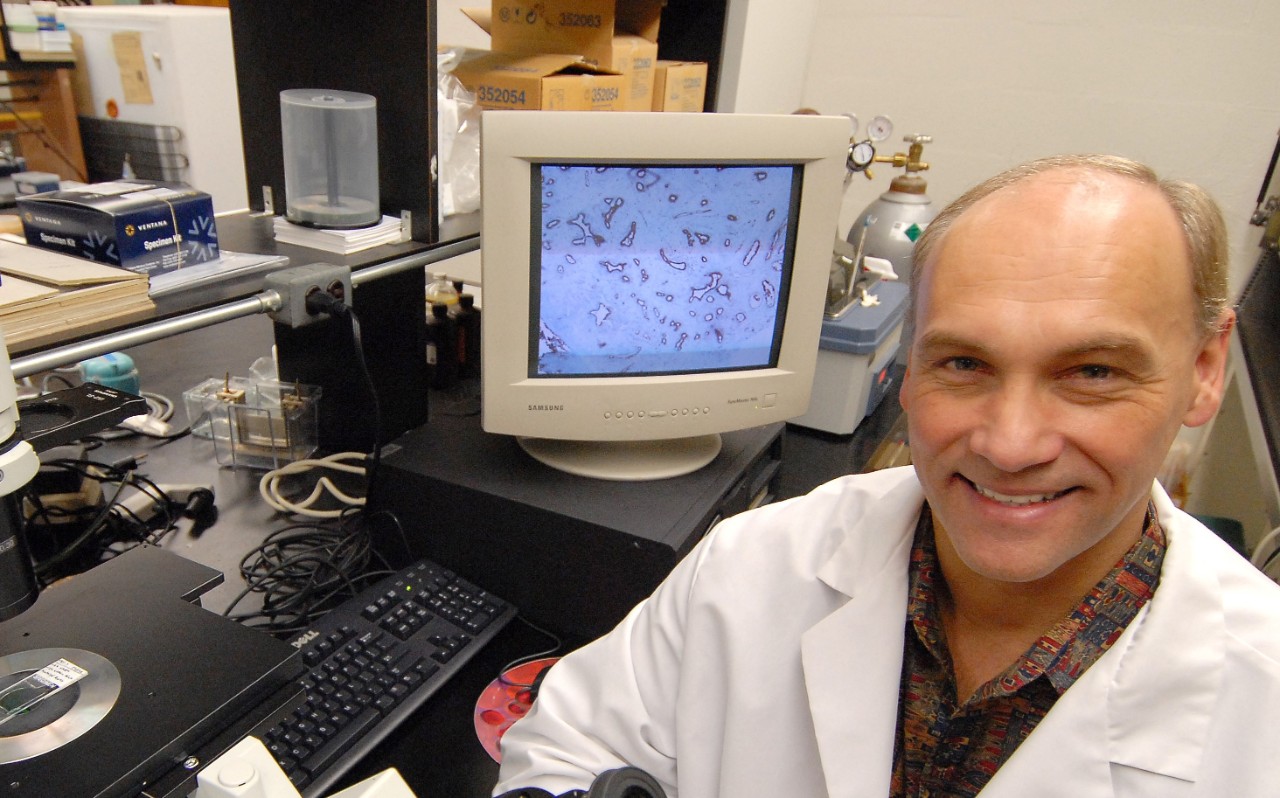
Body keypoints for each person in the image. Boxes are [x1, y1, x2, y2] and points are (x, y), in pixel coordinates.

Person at [492, 155, 1280, 797]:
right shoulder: (757, 565)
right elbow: (567, 746)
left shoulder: (1261, 703)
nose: (1009, 445)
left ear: (1205, 370)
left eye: (1093, 372)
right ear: (907, 369)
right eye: (963, 363)